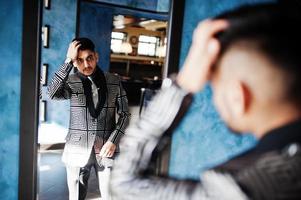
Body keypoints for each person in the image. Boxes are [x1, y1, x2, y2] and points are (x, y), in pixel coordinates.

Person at [110, 2, 301, 200]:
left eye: (215, 85)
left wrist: (182, 85)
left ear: (237, 97)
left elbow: (125, 184)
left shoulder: (240, 189)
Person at [48, 37, 130, 200]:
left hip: (107, 148)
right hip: (76, 148)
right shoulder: (71, 82)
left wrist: (113, 140)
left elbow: (125, 114)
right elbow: (52, 93)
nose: (86, 65)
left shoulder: (113, 81)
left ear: (96, 56)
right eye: (79, 60)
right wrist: (68, 61)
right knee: (76, 196)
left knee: (110, 196)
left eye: (89, 58)